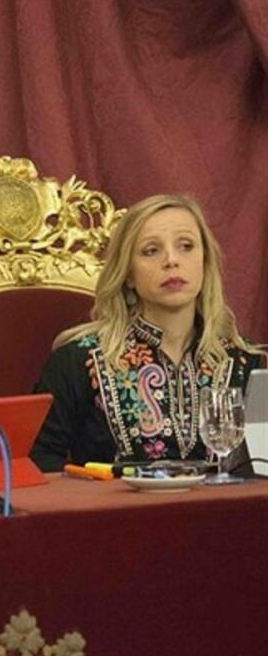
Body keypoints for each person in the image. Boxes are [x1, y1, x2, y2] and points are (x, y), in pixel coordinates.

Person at [30, 193, 265, 472]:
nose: (171, 260)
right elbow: (38, 464)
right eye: (151, 251)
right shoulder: (78, 360)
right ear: (128, 273)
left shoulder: (242, 361)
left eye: (186, 246)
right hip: (110, 502)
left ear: (205, 262)